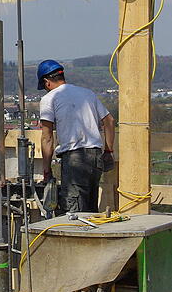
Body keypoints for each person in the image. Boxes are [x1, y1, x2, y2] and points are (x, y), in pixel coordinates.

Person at [37, 60, 115, 214]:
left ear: (46, 82)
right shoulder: (87, 93)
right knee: (90, 210)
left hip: (74, 159)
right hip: (96, 157)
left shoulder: (49, 99)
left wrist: (46, 170)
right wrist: (108, 151)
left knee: (75, 213)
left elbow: (47, 138)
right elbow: (110, 121)